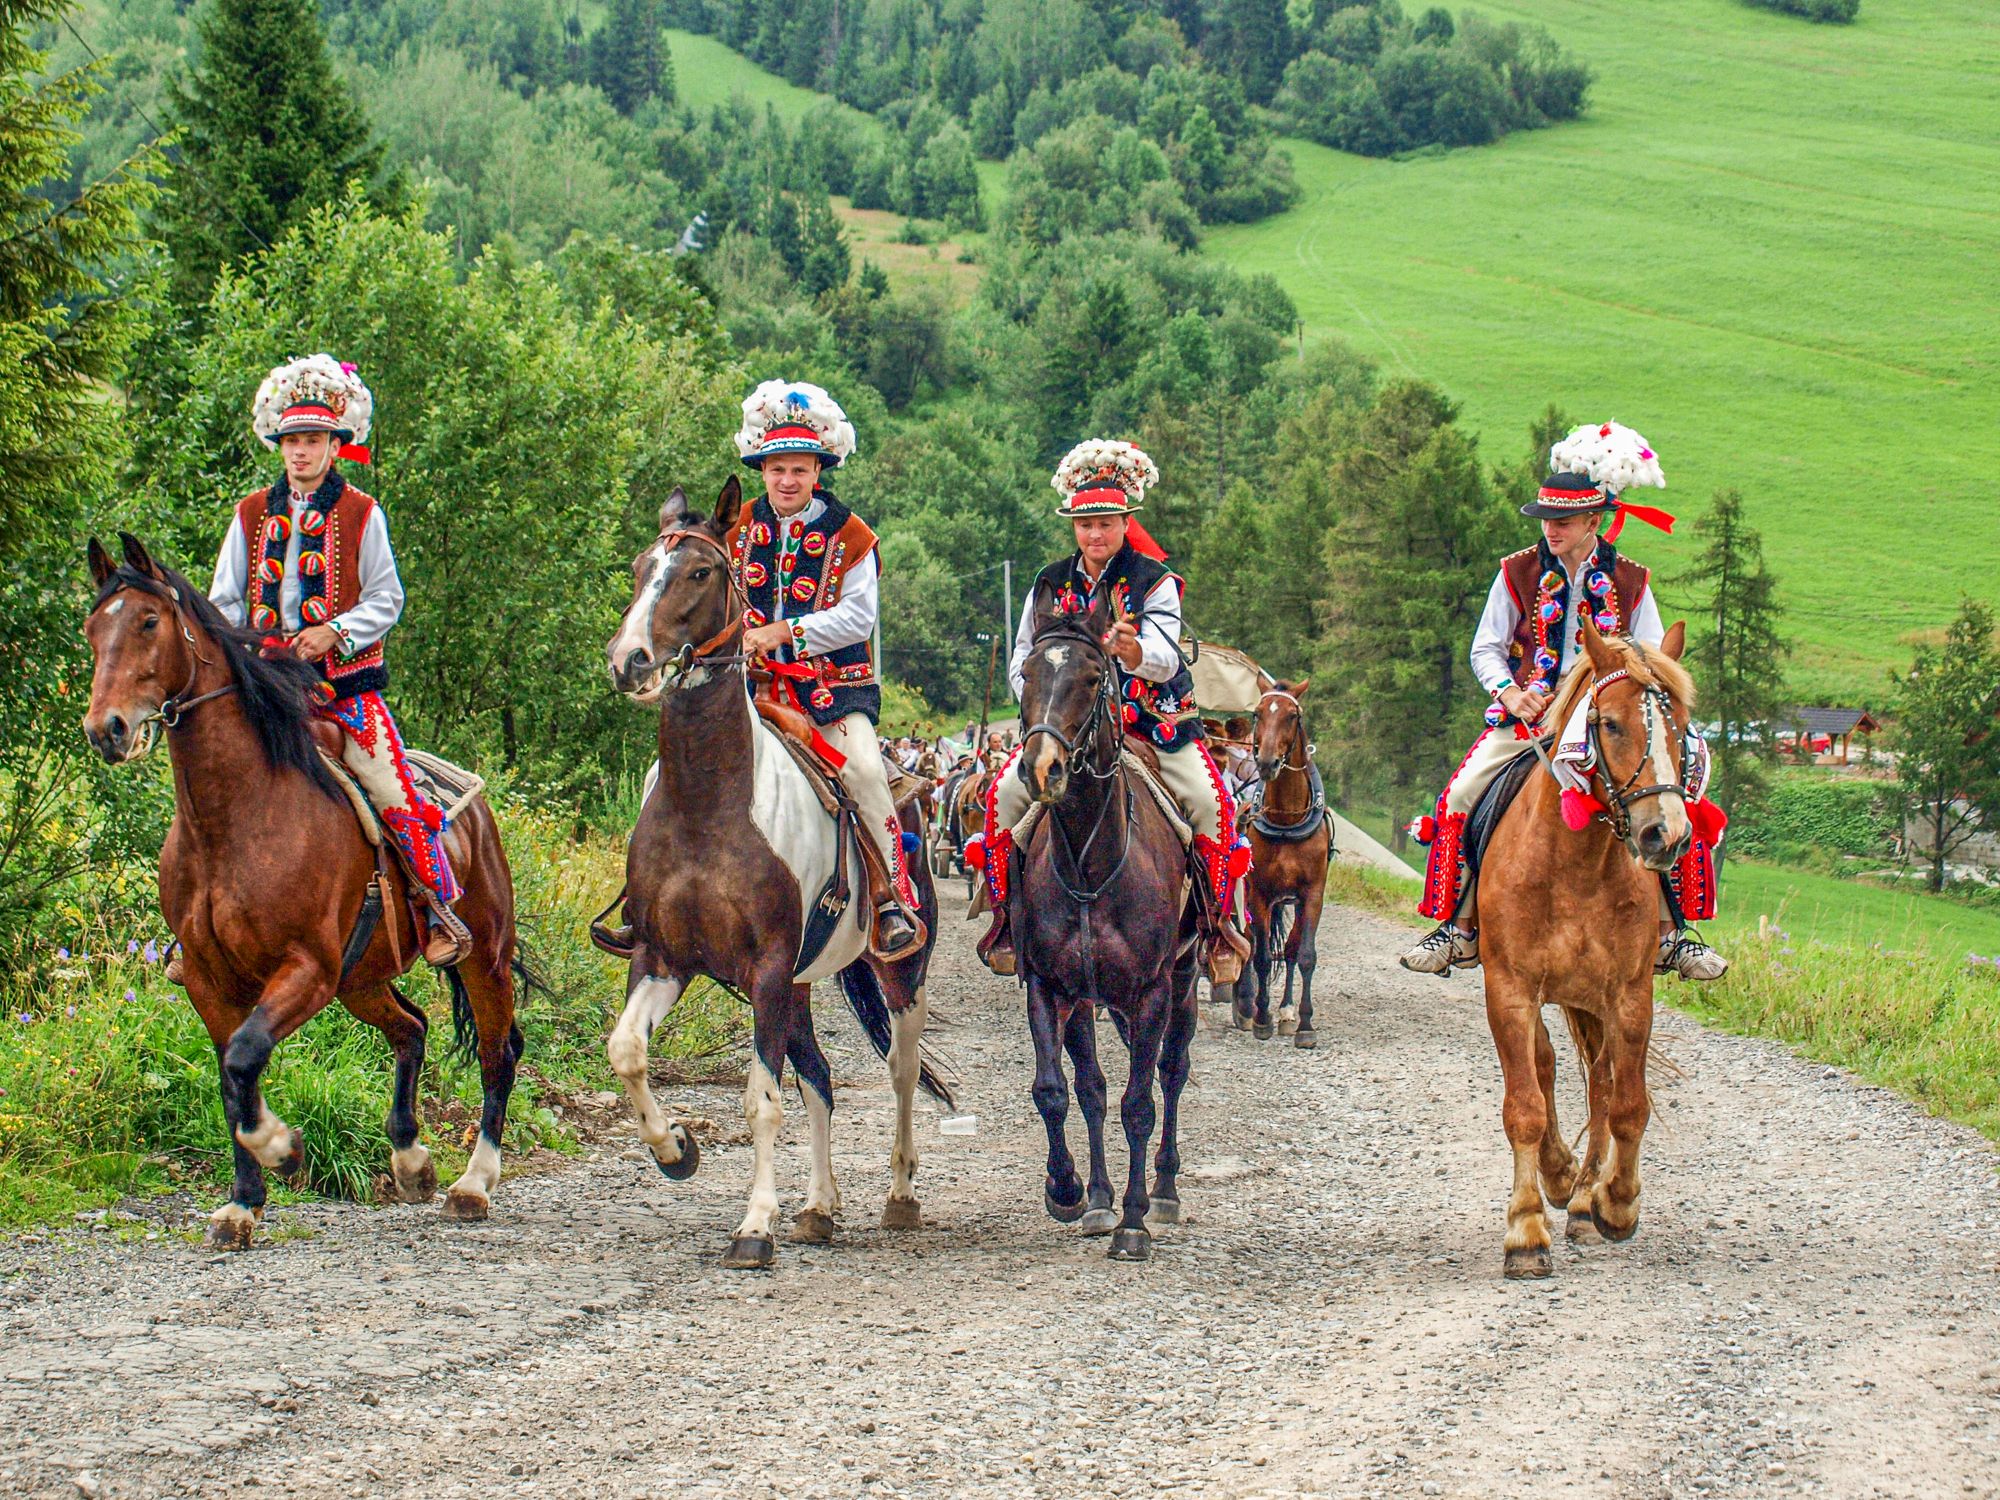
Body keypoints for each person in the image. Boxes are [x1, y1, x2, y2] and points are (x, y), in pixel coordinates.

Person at [1399, 421, 1727, 981]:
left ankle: (1673, 935)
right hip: (1532, 717)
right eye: (1546, 520)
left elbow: (1651, 657)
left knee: (1681, 791)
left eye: (1564, 521)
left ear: (1593, 522)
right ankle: (1458, 926)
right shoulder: (1516, 571)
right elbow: (1485, 648)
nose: (1551, 530)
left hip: (1608, 715)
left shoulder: (1631, 579)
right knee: (1461, 794)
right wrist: (1511, 692)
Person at [207, 354, 468, 971]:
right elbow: (222, 600)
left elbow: (387, 598)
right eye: (291, 440)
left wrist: (335, 632)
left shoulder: (361, 512)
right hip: (266, 687)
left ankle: (438, 907)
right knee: (215, 778)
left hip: (344, 689)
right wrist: (244, 648)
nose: (300, 451)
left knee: (391, 788)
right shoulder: (250, 513)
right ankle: (200, 921)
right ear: (279, 445)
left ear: (334, 445)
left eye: (312, 440)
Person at [976, 439, 1251, 983]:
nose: (1095, 534)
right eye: (1085, 525)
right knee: (1002, 796)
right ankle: (1006, 920)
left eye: (1105, 523)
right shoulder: (1048, 582)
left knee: (1212, 802)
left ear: (1126, 522)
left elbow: (1167, 657)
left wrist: (1133, 652)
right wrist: (1041, 702)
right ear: (1073, 527)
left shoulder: (1155, 581)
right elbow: (1023, 656)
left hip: (1155, 721)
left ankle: (1218, 927)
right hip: (1069, 728)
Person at [724, 380, 925, 960]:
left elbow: (859, 618)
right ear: (762, 470)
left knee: (864, 769)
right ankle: (648, 898)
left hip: (832, 691)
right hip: (746, 687)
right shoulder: (734, 528)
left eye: (799, 469)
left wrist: (786, 632)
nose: (787, 480)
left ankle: (889, 900)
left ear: (819, 470)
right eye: (776, 469)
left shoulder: (851, 534)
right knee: (673, 764)